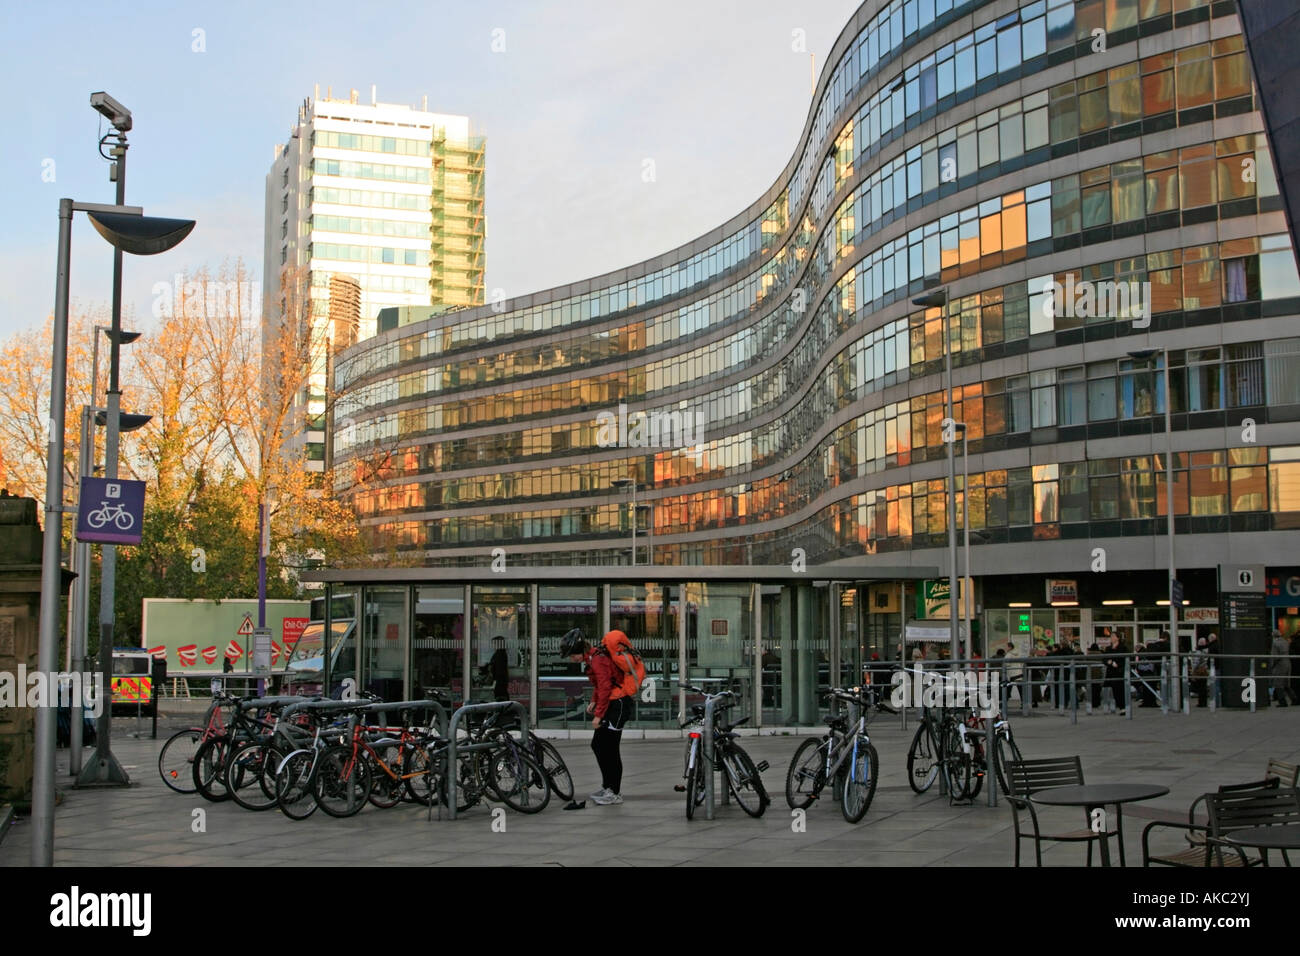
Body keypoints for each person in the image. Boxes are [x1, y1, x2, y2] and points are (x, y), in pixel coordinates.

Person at [560, 627, 633, 805]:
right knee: (599, 745)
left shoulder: (597, 659)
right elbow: (600, 685)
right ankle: (608, 786)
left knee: (610, 749)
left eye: (572, 655)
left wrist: (598, 716)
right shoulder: (593, 657)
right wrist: (594, 701)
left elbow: (606, 686)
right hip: (612, 703)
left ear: (579, 651)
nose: (572, 659)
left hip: (618, 705)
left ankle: (614, 792)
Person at [480, 636, 510, 702]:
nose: (493, 645)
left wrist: (489, 668)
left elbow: (498, 669)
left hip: (499, 682)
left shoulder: (499, 654)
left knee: (500, 699)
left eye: (494, 643)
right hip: (501, 681)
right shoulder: (501, 653)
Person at [1270, 629, 1292, 707]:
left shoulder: (1275, 643)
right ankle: (1294, 699)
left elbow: (1275, 657)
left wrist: (1271, 666)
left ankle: (1282, 702)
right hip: (1288, 663)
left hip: (1280, 665)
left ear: (1273, 635)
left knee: (1278, 684)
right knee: (1286, 683)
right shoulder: (1285, 641)